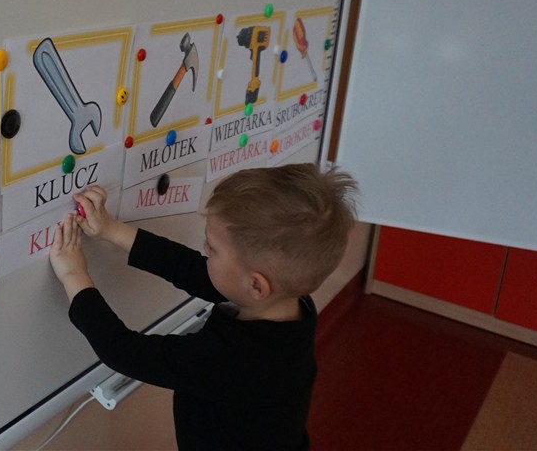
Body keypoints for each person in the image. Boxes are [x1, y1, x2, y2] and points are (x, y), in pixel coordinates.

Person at [49, 163, 359, 450]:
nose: (204, 250)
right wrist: (112, 230)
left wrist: (74, 275)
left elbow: (124, 352)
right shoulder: (289, 302)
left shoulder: (235, 358)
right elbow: (189, 269)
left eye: (212, 249)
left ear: (256, 285)